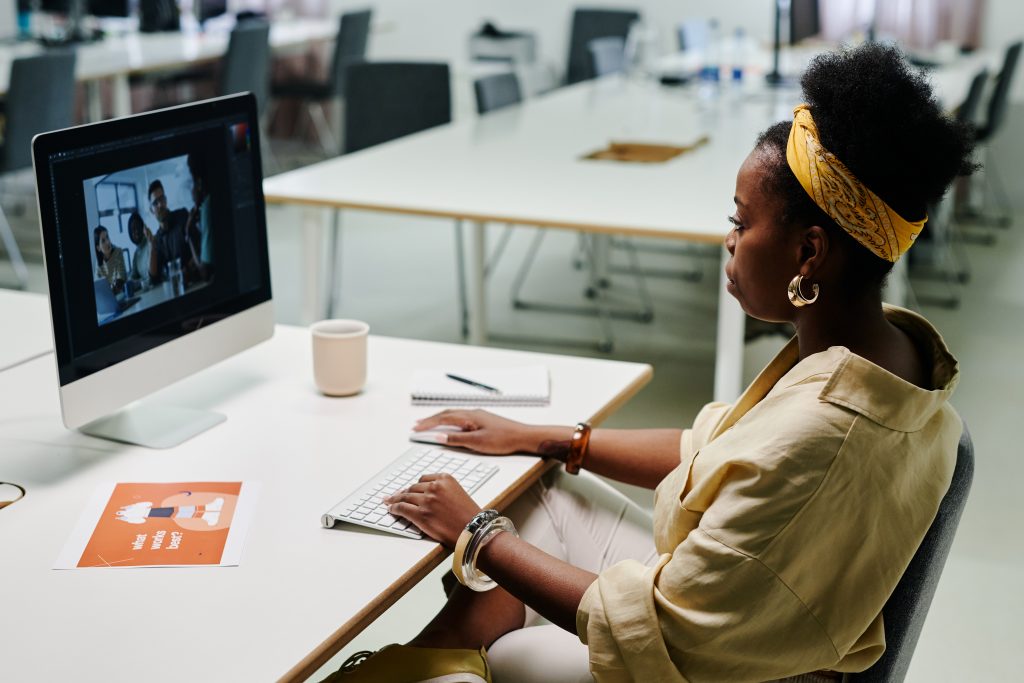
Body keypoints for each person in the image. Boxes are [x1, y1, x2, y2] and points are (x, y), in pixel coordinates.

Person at [330, 44, 976, 683]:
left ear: (809, 253)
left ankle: (442, 663)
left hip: (744, 666)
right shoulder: (883, 351)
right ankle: (432, 655)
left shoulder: (826, 430)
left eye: (741, 221)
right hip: (748, 606)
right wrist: (553, 438)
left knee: (510, 655)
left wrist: (476, 531)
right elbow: (713, 447)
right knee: (539, 489)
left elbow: (668, 629)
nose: (729, 239)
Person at [148, 179, 201, 287]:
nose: (160, 205)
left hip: (197, 282)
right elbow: (154, 278)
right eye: (155, 203)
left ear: (166, 200)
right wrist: (151, 247)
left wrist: (186, 270)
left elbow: (200, 246)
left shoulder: (182, 216)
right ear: (151, 210)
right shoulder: (157, 239)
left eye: (162, 199)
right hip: (177, 289)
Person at [186, 152, 214, 281]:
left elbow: (205, 273)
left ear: (199, 182)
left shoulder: (207, 207)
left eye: (191, 181)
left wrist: (189, 233)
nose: (191, 191)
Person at [94, 225, 128, 294]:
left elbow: (121, 278)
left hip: (122, 293)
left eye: (107, 237)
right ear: (98, 248)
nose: (107, 242)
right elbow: (98, 288)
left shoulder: (118, 252)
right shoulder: (98, 264)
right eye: (103, 241)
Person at [127, 211, 155, 290]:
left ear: (142, 227)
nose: (135, 232)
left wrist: (139, 283)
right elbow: (133, 276)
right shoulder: (136, 253)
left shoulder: (151, 242)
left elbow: (152, 278)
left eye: (137, 227)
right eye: (132, 230)